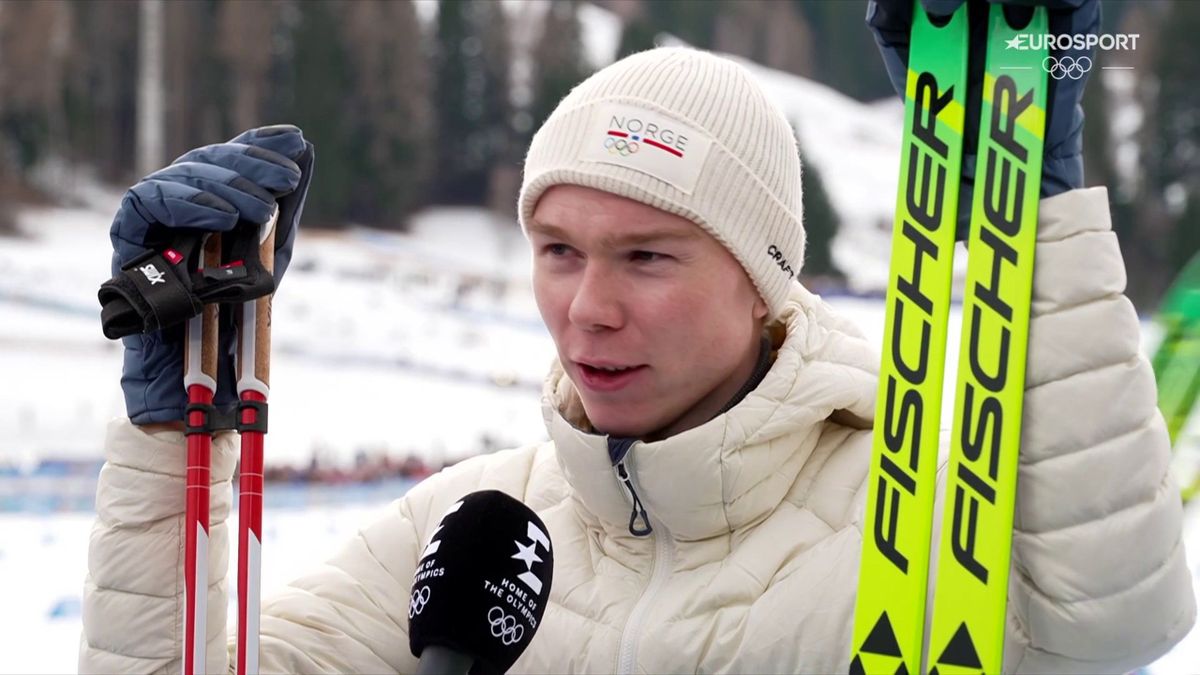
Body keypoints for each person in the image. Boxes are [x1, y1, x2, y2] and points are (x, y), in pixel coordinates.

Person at [81, 4, 1195, 673]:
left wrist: (1037, 215)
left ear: (765, 283)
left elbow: (1111, 620)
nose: (587, 308)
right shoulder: (477, 525)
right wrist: (167, 432)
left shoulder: (912, 505)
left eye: (648, 257)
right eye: (558, 250)